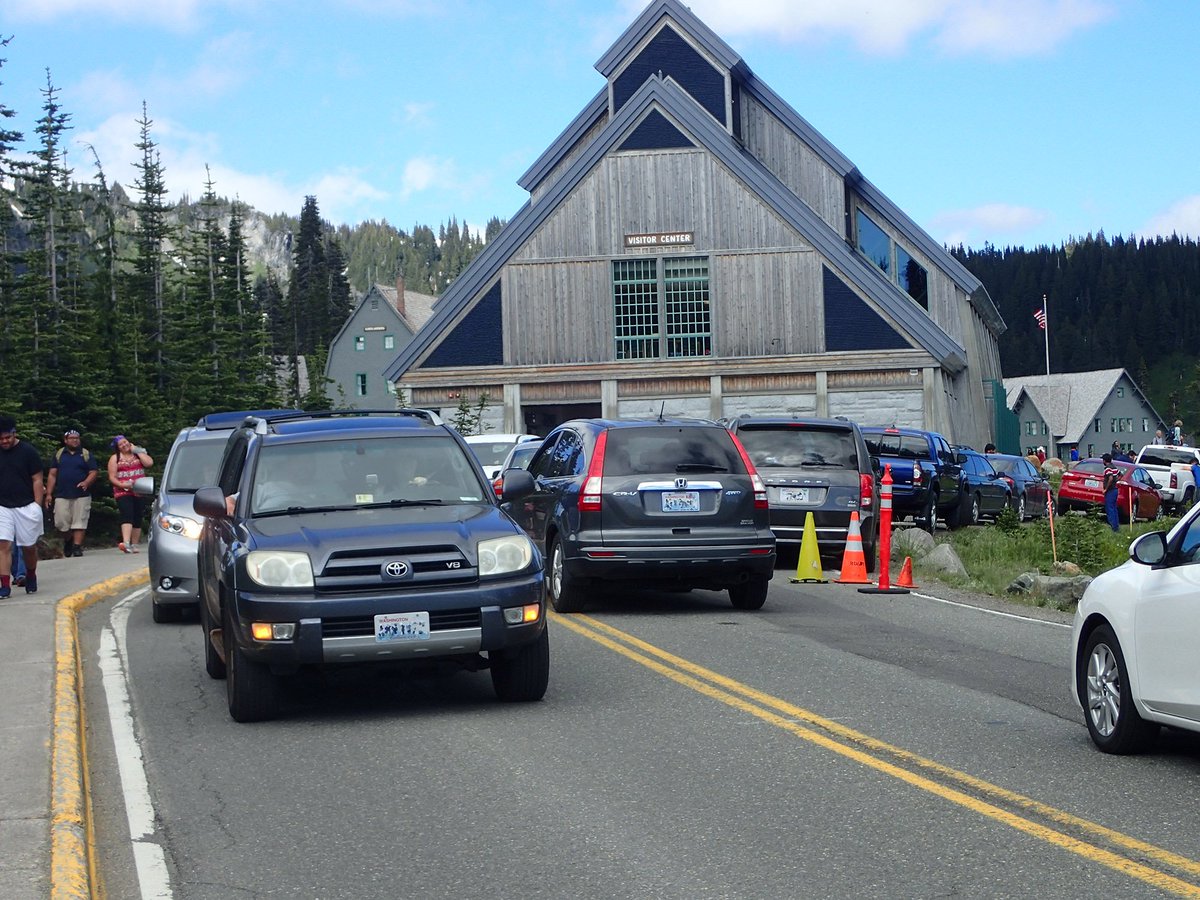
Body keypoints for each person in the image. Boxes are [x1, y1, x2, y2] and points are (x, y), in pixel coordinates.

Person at [0, 415, 45, 596]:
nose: (4, 441)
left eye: (7, 438)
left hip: (26, 505)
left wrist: (36, 505)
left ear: (14, 434)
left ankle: (31, 574)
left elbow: (37, 479)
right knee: (3, 545)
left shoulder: (28, 452)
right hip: (3, 505)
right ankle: (4, 585)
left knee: (28, 547)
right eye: (1, 439)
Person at [44, 429, 98, 558]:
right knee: (61, 523)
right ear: (66, 440)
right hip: (62, 493)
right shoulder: (59, 454)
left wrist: (86, 482)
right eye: (72, 438)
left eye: (77, 438)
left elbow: (94, 471)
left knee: (80, 521)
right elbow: (52, 474)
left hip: (81, 494)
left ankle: (77, 546)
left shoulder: (85, 454)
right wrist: (49, 494)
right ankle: (68, 540)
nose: (75, 440)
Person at [107, 435, 153, 553]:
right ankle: (126, 542)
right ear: (118, 448)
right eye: (121, 444)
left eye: (125, 442)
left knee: (138, 516)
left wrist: (137, 450)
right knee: (127, 513)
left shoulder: (138, 454)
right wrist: (122, 485)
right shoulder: (115, 458)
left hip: (139, 489)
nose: (124, 445)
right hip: (123, 491)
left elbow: (149, 463)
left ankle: (135, 544)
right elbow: (112, 477)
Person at [1102, 452, 1121, 532]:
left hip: (1110, 490)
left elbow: (1110, 478)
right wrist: (1117, 481)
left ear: (1104, 460)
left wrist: (1106, 488)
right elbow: (1121, 475)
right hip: (1115, 490)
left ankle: (1113, 527)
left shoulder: (1108, 469)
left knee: (1109, 508)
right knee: (1114, 508)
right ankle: (1116, 526)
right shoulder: (1114, 467)